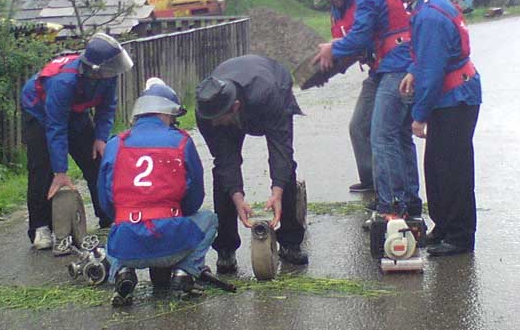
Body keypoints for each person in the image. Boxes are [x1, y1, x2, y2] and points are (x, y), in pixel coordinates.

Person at [314, 0, 420, 227]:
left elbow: (360, 37)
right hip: (392, 64)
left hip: (396, 65)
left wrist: (332, 50)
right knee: (398, 134)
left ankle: (390, 206)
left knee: (382, 135)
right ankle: (409, 201)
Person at [390, 0, 482, 256]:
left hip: (455, 98)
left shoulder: (428, 14)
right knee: (436, 167)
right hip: (452, 96)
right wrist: (413, 71)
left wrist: (418, 115)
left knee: (453, 169)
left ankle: (460, 236)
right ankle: (443, 227)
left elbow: (433, 71)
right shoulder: (428, 3)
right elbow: (428, 58)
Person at [98, 79, 218, 306]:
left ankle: (122, 273)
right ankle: (185, 272)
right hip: (171, 241)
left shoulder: (116, 143)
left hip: (128, 247)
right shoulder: (181, 141)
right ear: (165, 114)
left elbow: (105, 202)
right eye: (173, 117)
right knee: (210, 219)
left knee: (115, 229)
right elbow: (195, 198)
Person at [21, 32, 133, 252]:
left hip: (77, 112)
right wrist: (60, 172)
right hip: (41, 112)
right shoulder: (64, 82)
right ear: (94, 69)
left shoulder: (108, 75)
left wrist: (100, 138)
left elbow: (107, 107)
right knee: (42, 169)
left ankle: (107, 217)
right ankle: (40, 227)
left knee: (96, 162)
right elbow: (56, 128)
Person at [196, 54, 307, 273]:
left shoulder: (268, 95)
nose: (214, 124)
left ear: (235, 106)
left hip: (273, 88)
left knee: (285, 166)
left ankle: (290, 241)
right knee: (222, 174)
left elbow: (280, 148)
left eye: (219, 118)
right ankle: (226, 249)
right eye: (211, 119)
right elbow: (226, 161)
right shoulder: (207, 110)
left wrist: (277, 192)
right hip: (236, 91)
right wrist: (238, 199)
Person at [308, 0, 375, 196]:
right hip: (375, 70)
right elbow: (345, 51)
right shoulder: (336, 12)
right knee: (358, 127)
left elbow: (360, 40)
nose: (331, 0)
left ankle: (384, 186)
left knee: (378, 130)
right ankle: (370, 180)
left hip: (388, 68)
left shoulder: (363, 0)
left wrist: (334, 48)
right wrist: (325, 72)